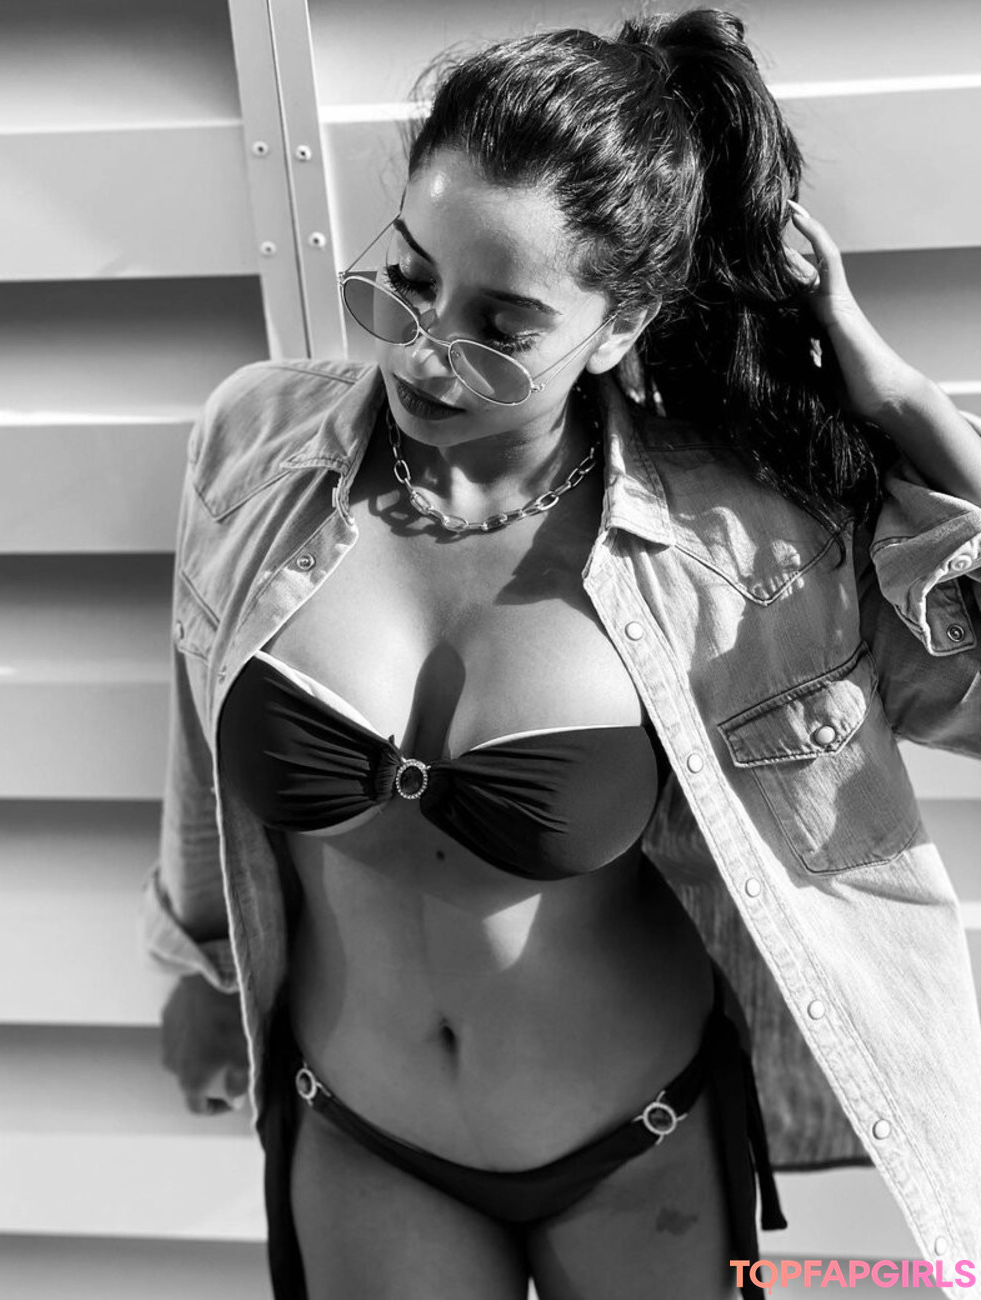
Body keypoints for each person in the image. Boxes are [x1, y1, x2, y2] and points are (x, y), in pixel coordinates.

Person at [141, 9, 981, 1299]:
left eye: (502, 323)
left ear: (622, 322)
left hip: (638, 1148)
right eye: (407, 276)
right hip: (354, 1132)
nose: (426, 348)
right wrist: (198, 964)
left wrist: (901, 401)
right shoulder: (256, 442)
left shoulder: (742, 541)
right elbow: (195, 728)